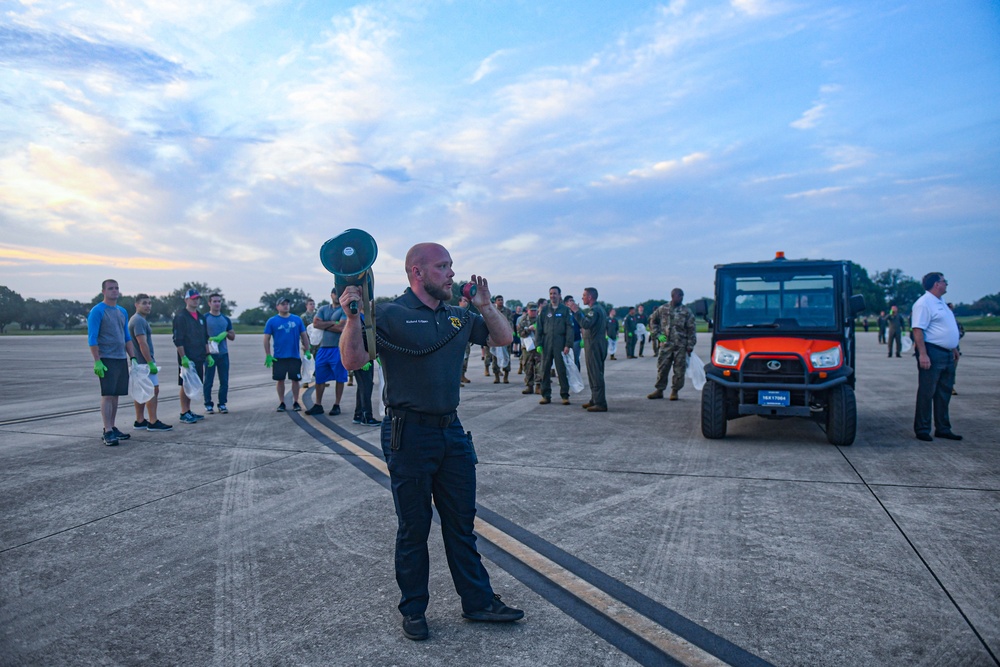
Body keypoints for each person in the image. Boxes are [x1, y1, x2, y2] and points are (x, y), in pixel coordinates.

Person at [338, 242, 524, 642]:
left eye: (451, 266)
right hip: (409, 433)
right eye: (443, 266)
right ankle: (414, 610)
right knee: (414, 527)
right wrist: (353, 317)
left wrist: (486, 306)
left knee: (461, 525)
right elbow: (353, 362)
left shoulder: (459, 317)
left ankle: (478, 602)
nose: (452, 274)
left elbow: (504, 340)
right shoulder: (388, 313)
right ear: (417, 272)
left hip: (452, 432)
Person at [911, 273, 962, 442]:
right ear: (936, 284)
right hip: (933, 352)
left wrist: (953, 347)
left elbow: (945, 327)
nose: (946, 283)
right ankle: (922, 429)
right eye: (943, 281)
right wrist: (923, 354)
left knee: (944, 392)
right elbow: (918, 329)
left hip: (947, 353)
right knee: (927, 392)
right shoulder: (924, 303)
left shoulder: (941, 303)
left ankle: (943, 428)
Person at [88, 279, 138, 446]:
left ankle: (113, 426)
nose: (114, 291)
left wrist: (133, 357)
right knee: (108, 394)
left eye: (116, 288)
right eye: (110, 288)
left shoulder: (122, 311)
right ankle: (107, 430)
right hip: (106, 358)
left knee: (116, 395)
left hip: (120, 358)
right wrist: (97, 361)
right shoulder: (98, 311)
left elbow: (126, 337)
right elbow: (92, 337)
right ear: (103, 291)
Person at [128, 293, 172, 432]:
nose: (148, 306)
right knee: (153, 390)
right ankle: (153, 421)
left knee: (141, 391)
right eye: (144, 303)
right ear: (136, 305)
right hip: (144, 363)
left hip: (138, 363)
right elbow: (142, 343)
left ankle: (140, 420)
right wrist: (150, 362)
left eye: (149, 303)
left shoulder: (136, 319)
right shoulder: (139, 321)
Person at [172, 288, 213, 424]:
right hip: (187, 357)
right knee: (185, 384)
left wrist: (208, 354)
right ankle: (184, 412)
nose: (196, 301)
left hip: (199, 355)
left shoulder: (201, 317)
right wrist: (183, 357)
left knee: (194, 384)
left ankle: (188, 410)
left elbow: (205, 337)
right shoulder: (181, 317)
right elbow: (178, 339)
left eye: (197, 298)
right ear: (186, 300)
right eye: (193, 298)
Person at [648, 288, 697, 401]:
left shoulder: (686, 311)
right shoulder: (663, 309)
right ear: (673, 296)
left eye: (682, 295)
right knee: (662, 367)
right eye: (679, 295)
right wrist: (658, 335)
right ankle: (659, 390)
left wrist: (690, 345)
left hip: (680, 345)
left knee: (679, 369)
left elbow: (691, 329)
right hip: (666, 344)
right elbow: (652, 320)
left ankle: (675, 391)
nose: (681, 297)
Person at [263, 297, 311, 412]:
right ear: (277, 307)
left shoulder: (297, 320)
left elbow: (304, 335)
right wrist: (268, 354)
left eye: (287, 304)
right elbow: (266, 338)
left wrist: (307, 350)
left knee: (295, 380)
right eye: (282, 304)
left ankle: (295, 401)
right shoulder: (272, 321)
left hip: (294, 355)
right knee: (280, 380)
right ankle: (282, 402)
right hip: (279, 356)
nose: (285, 306)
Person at [307, 288, 348, 416]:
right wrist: (333, 323)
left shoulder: (344, 310)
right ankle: (318, 404)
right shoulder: (323, 309)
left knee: (339, 377)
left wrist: (325, 324)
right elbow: (315, 324)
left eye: (339, 294)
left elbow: (342, 327)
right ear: (331, 295)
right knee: (319, 376)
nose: (337, 296)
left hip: (338, 348)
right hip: (323, 348)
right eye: (335, 293)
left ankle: (337, 404)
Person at [569, 287, 608, 412]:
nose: (582, 298)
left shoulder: (594, 310)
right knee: (594, 372)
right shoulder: (598, 309)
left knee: (595, 373)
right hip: (597, 344)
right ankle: (595, 399)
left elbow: (585, 324)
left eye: (584, 295)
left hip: (594, 345)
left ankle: (600, 402)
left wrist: (576, 311)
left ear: (590, 297)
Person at [537, 286, 574, 405]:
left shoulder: (565, 310)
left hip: (560, 343)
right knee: (545, 370)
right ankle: (545, 395)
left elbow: (569, 327)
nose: (553, 296)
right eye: (551, 294)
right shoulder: (544, 310)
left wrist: (568, 344)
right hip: (547, 343)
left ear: (559, 295)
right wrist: (539, 343)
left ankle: (564, 395)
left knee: (561, 370)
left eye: (555, 293)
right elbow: (539, 328)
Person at [204, 293, 235, 414]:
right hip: (209, 354)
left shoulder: (225, 319)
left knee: (224, 380)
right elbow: (199, 335)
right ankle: (208, 403)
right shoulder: (204, 318)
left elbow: (232, 335)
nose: (217, 304)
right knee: (208, 380)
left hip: (223, 353)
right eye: (214, 301)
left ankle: (222, 403)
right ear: (209, 303)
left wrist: (226, 334)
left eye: (219, 301)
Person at [517, 301, 541, 394]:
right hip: (527, 347)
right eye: (531, 310)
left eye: (535, 310)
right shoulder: (523, 320)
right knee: (528, 366)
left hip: (538, 346)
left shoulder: (540, 319)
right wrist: (528, 329)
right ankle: (529, 386)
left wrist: (537, 330)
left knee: (539, 366)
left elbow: (545, 332)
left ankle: (538, 385)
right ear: (528, 310)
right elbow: (520, 333)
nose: (533, 312)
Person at [490, 294, 514, 383]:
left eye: (502, 300)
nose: (500, 301)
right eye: (499, 300)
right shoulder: (493, 311)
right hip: (495, 338)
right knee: (495, 357)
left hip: (506, 338)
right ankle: (496, 376)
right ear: (496, 302)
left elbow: (510, 322)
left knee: (507, 356)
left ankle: (506, 376)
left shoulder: (507, 311)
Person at [563, 295, 583, 371]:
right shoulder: (563, 313)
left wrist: (583, 339)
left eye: (573, 300)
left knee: (575, 360)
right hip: (565, 341)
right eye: (570, 300)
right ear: (566, 303)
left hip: (576, 340)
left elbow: (583, 326)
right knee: (566, 360)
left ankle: (576, 378)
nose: (573, 302)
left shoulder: (577, 313)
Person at [459, 295, 473, 385]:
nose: (466, 302)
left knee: (465, 358)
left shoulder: (468, 314)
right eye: (464, 301)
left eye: (467, 301)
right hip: (457, 341)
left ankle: (463, 375)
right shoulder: (455, 312)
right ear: (459, 302)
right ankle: (457, 377)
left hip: (466, 340)